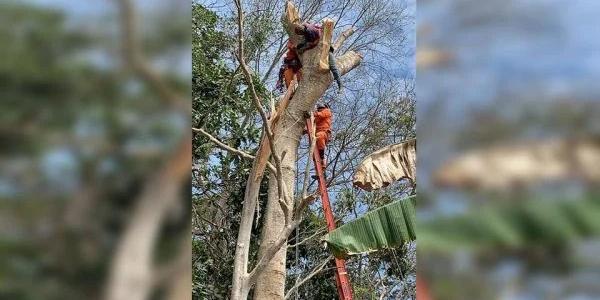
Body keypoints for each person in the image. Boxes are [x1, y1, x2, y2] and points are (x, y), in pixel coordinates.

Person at [312, 103, 332, 179]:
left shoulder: (327, 111)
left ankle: (322, 154)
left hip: (324, 132)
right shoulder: (317, 116)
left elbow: (321, 114)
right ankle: (319, 173)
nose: (319, 109)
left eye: (320, 108)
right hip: (316, 134)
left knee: (319, 136)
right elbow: (313, 123)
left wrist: (313, 113)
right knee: (315, 155)